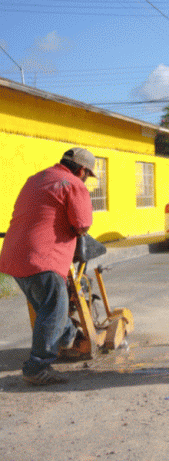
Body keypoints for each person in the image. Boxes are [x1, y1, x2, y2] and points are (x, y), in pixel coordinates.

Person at [0, 147, 95, 385]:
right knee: (53, 309)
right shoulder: (73, 183)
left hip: (14, 255)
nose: (86, 179)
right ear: (81, 170)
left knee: (49, 309)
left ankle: (70, 337)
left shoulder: (37, 179)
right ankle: (37, 367)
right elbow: (82, 224)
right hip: (43, 257)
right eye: (87, 174)